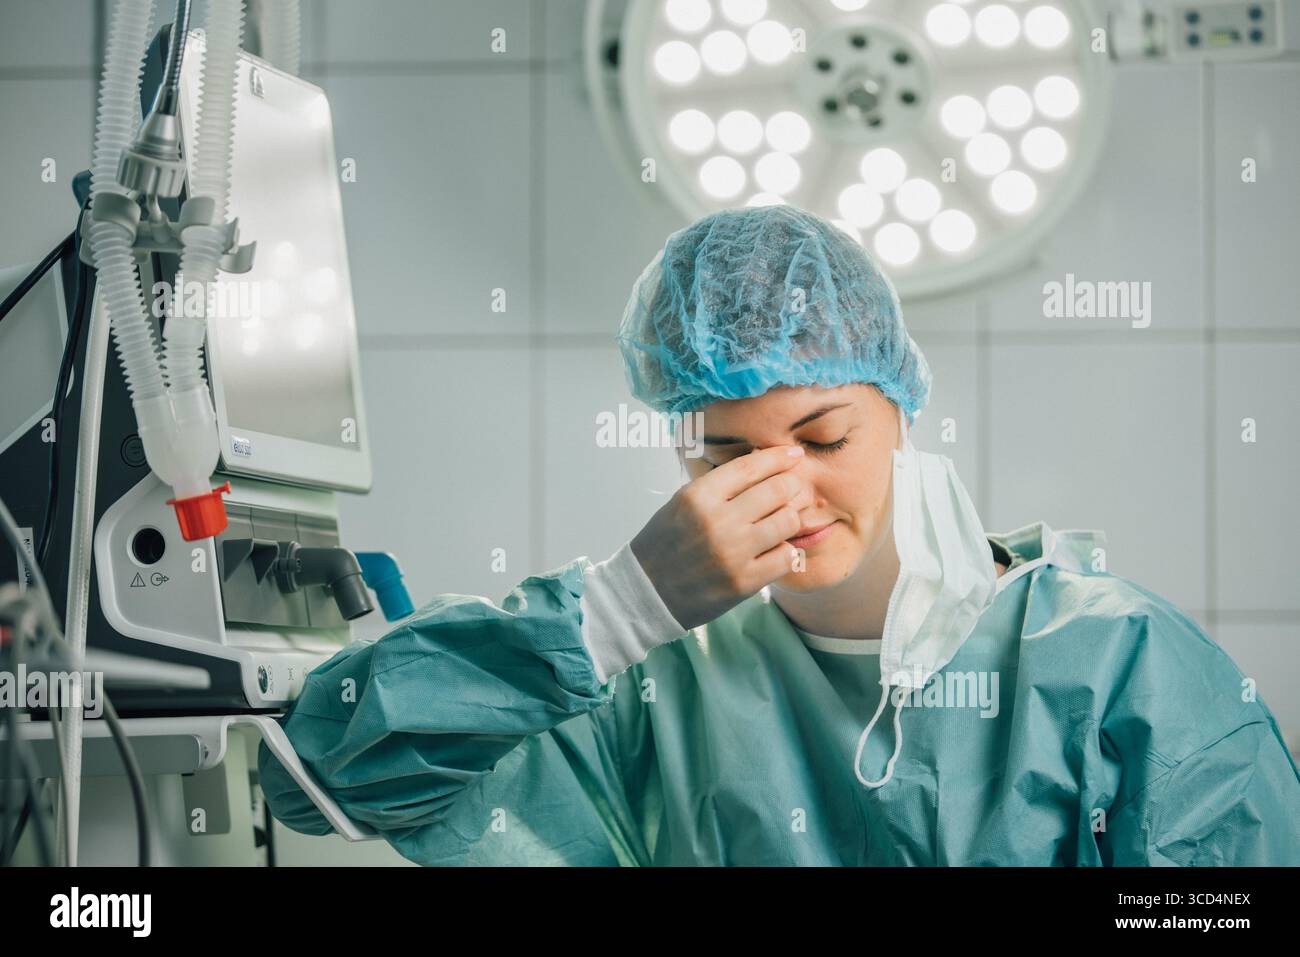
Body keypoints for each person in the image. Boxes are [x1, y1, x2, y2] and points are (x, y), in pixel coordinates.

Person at [258, 205, 1300, 865]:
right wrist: (615, 614)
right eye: (726, 456)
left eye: (822, 435)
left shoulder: (1113, 662)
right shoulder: (650, 686)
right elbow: (316, 778)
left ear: (902, 410)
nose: (779, 485)